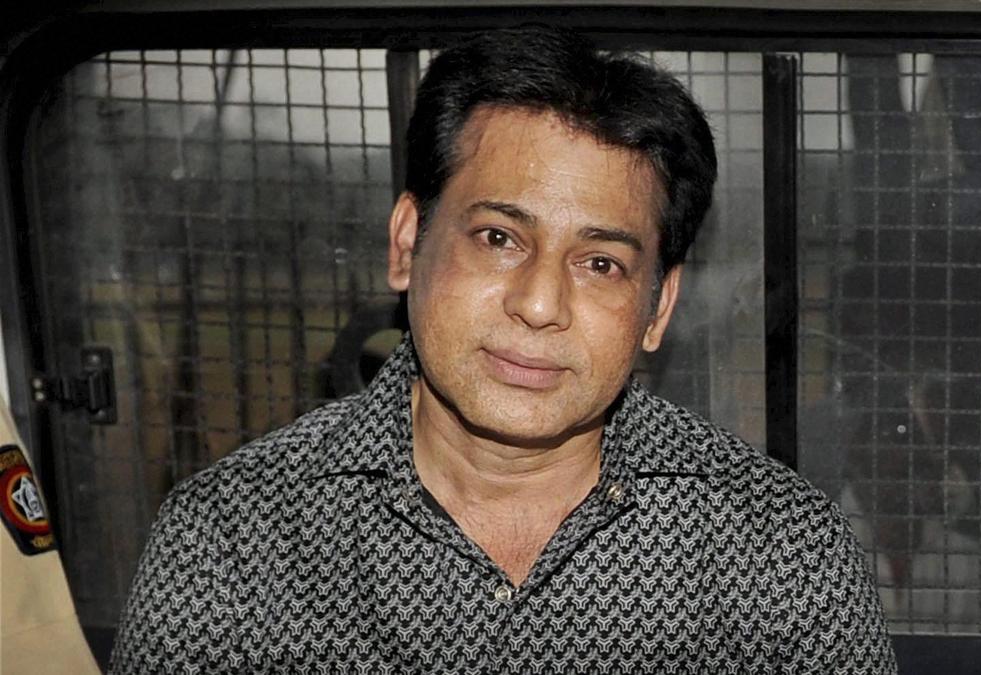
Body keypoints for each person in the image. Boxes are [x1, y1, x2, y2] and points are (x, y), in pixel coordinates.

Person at [110, 25, 895, 673]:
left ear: (658, 306)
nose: (540, 304)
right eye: (497, 238)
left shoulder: (781, 552)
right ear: (407, 242)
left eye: (601, 263)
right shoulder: (228, 542)